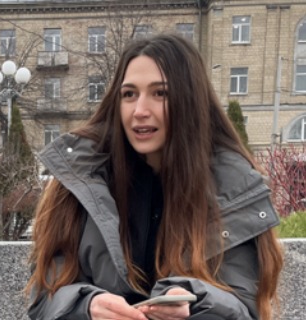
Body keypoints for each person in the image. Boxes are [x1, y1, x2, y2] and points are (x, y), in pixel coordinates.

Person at [26, 34, 284, 320]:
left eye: (160, 93)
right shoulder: (79, 180)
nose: (139, 111)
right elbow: (42, 299)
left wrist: (194, 301)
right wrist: (86, 306)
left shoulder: (235, 189)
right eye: (129, 94)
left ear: (189, 100)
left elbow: (247, 309)